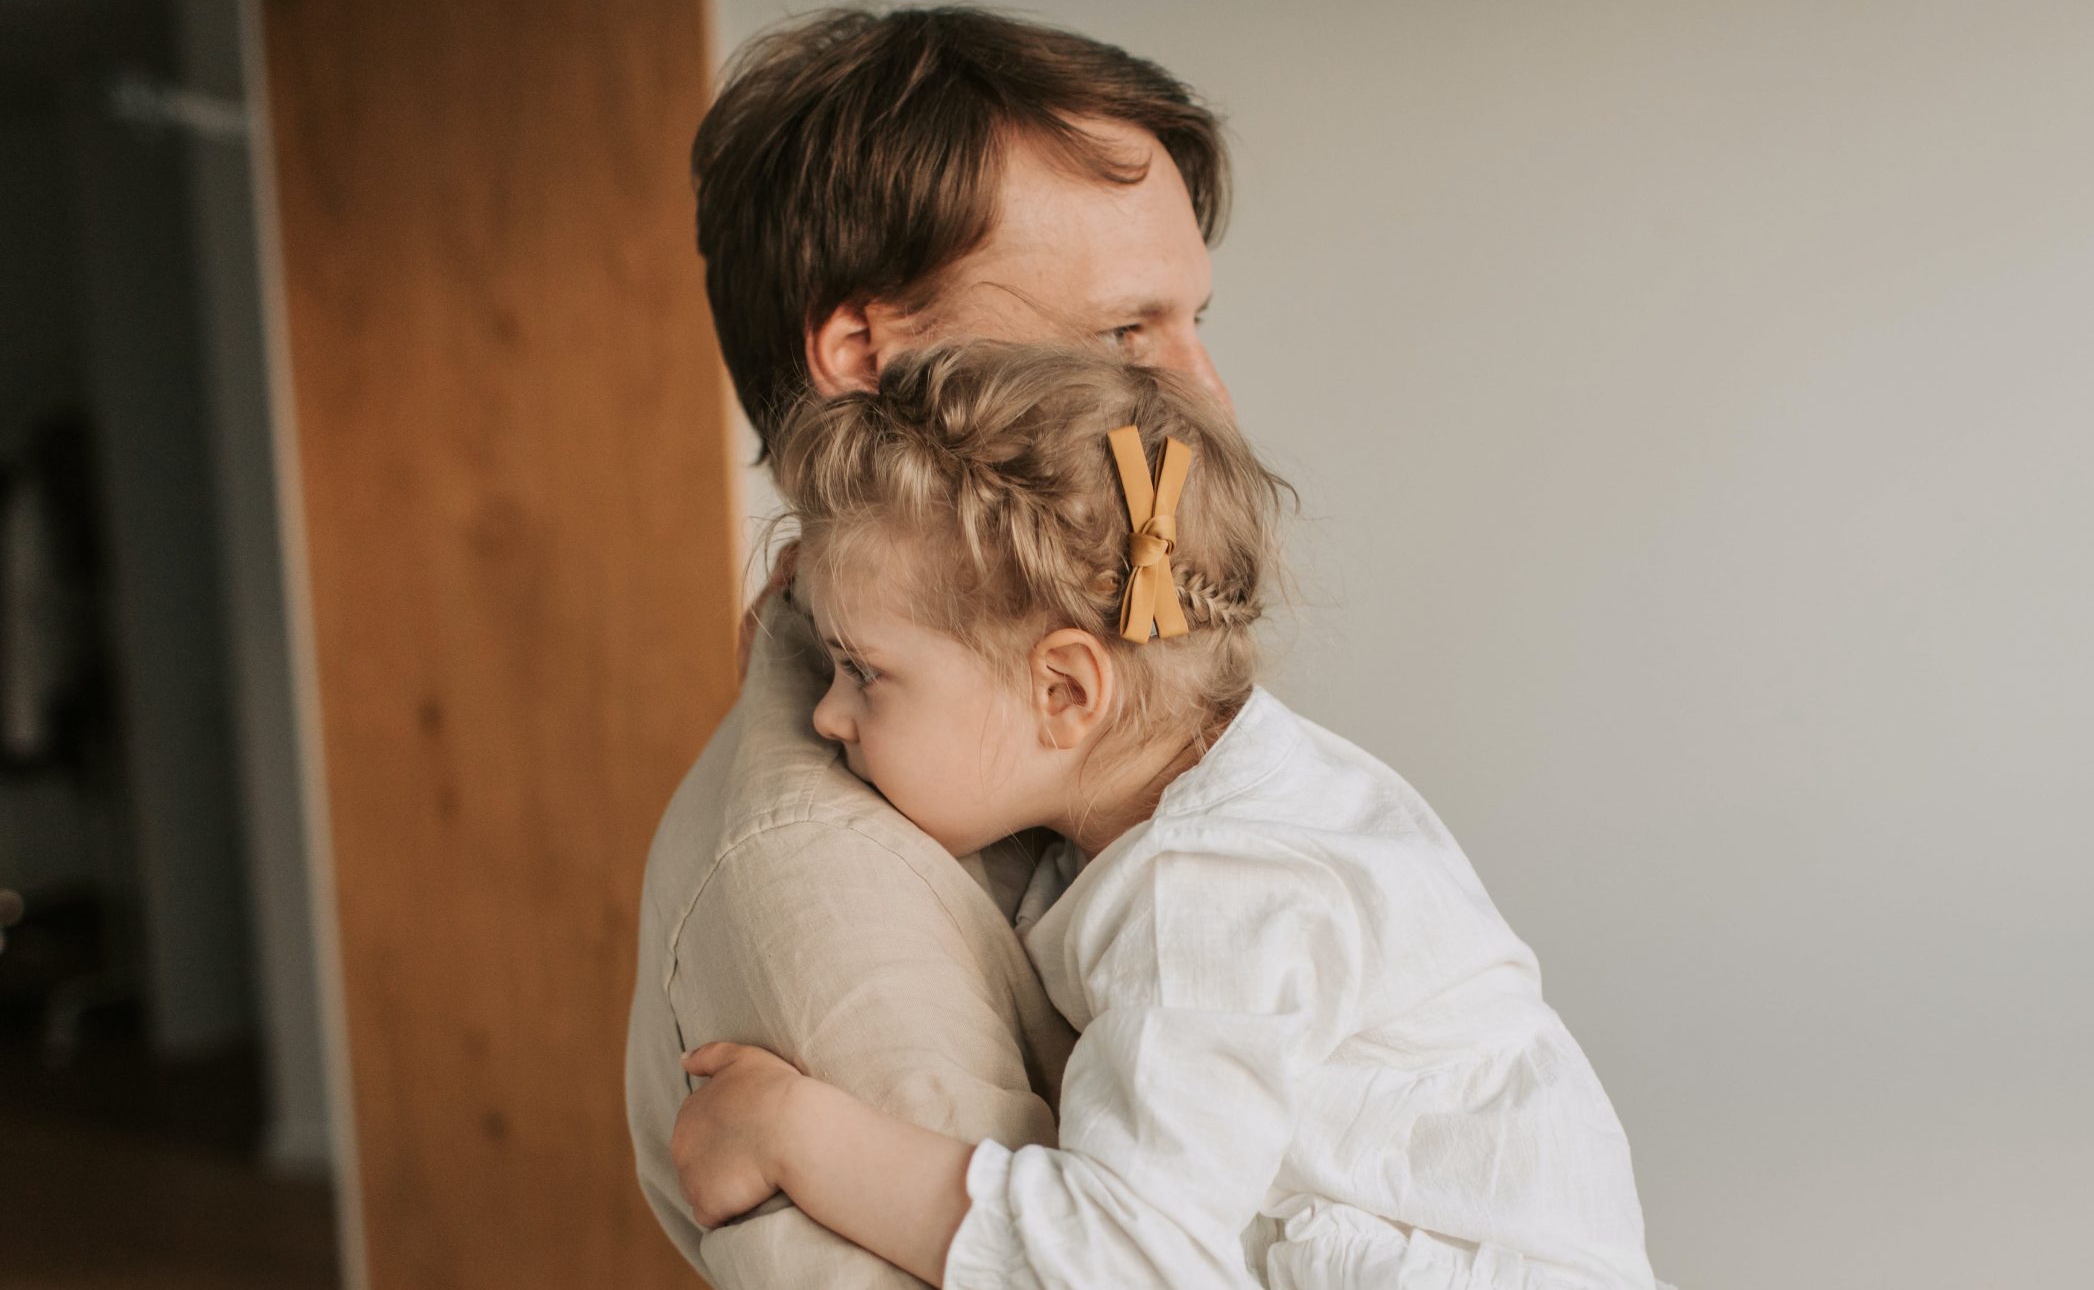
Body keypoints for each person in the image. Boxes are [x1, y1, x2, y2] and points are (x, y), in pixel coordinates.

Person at [669, 342, 1665, 1290]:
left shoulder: (1206, 902)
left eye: (863, 673)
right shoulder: (1253, 779)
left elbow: (1124, 1262)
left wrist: (797, 1136)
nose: (825, 714)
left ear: (1064, 692)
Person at [625, 5, 1231, 1288]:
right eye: (1126, 337)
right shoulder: (831, 880)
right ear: (870, 361)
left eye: (1192, 326)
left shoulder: (1117, 693)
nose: (1204, 399)